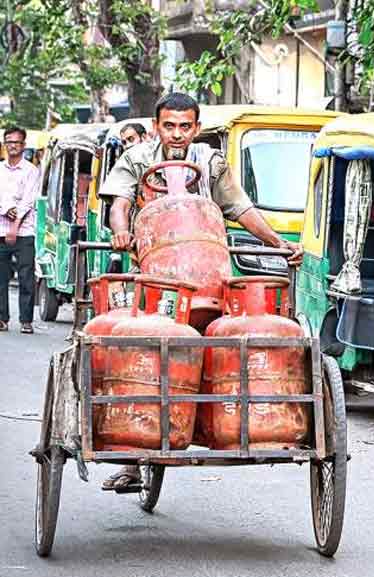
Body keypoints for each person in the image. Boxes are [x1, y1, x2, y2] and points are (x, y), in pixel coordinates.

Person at [97, 92, 301, 491]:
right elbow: (119, 204)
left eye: (185, 127)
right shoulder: (136, 158)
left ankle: (226, 424)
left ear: (197, 128)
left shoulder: (210, 162)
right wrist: (121, 230)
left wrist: (278, 242)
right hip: (154, 276)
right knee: (141, 352)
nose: (177, 134)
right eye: (169, 126)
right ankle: (133, 460)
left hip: (210, 273)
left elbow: (240, 208)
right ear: (156, 126)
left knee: (231, 345)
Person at [0, 127, 40, 334]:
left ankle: (26, 320)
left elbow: (27, 202)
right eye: (9, 142)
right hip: (0, 230)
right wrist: (6, 209)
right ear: (4, 144)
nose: (12, 145)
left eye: (16, 142)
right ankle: (2, 319)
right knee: (1, 278)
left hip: (24, 232)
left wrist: (14, 228)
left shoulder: (31, 171)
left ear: (23, 145)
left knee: (26, 277)